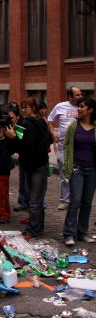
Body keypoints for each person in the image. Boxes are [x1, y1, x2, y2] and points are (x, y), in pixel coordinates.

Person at [5, 100, 49, 240]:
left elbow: (26, 147)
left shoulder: (27, 126)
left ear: (17, 116)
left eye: (11, 118)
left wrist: (13, 137)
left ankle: (33, 231)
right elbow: (15, 148)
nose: (9, 120)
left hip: (38, 165)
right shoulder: (17, 126)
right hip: (29, 166)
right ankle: (38, 226)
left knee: (35, 201)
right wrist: (7, 137)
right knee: (33, 199)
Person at [62, 97, 96, 246]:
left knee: (87, 203)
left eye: (82, 106)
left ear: (90, 110)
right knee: (75, 201)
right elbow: (67, 146)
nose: (79, 109)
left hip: (92, 170)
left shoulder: (95, 127)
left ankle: (83, 232)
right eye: (79, 106)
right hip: (77, 168)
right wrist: (67, 166)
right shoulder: (74, 126)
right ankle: (69, 234)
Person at [48, 86, 83, 211]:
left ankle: (76, 199)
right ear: (70, 96)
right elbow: (50, 120)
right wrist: (53, 133)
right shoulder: (60, 106)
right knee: (64, 173)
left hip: (78, 146)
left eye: (81, 94)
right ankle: (64, 200)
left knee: (77, 174)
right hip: (63, 146)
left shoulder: (82, 107)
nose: (80, 97)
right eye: (78, 95)